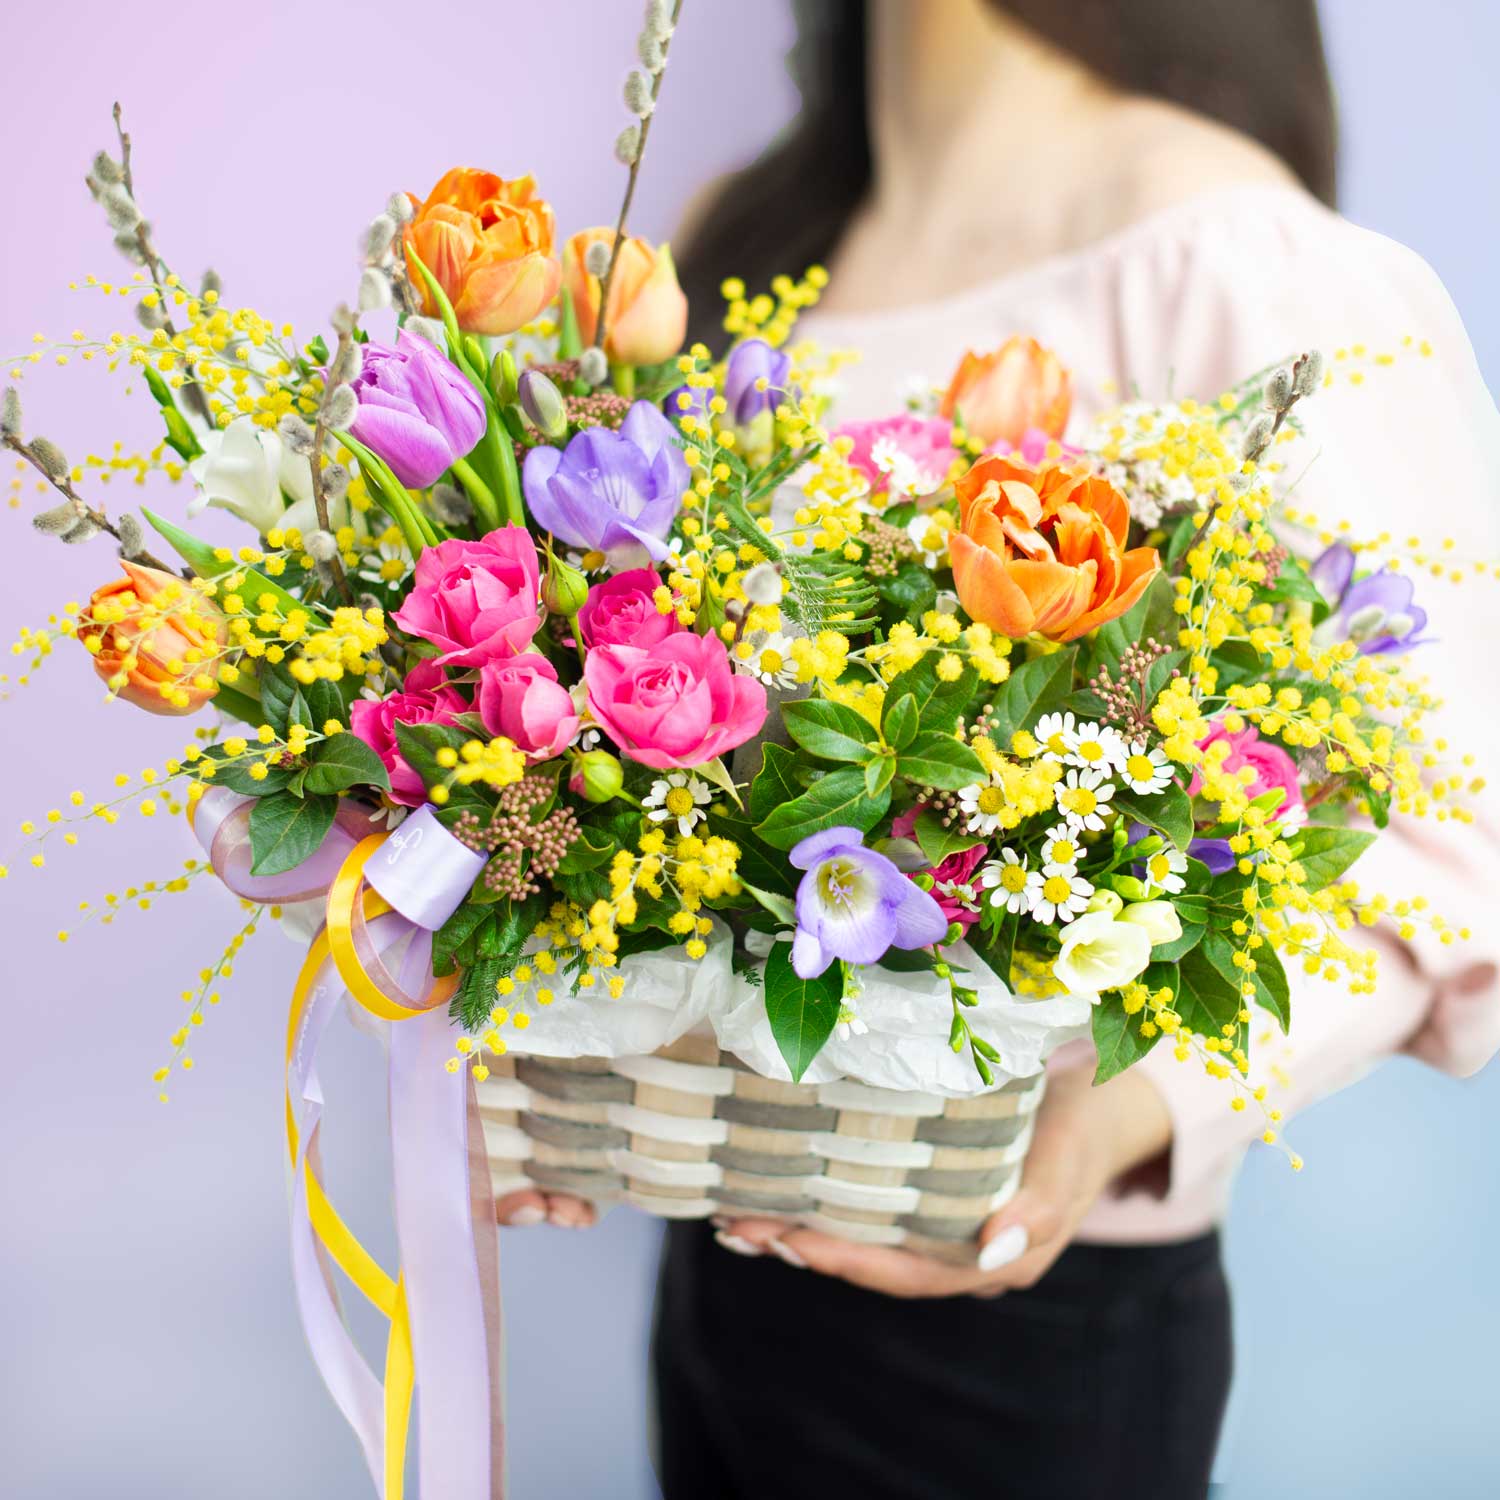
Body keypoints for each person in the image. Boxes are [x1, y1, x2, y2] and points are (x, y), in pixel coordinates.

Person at [498, 3, 1500, 1495]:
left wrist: (1118, 1121)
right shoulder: (743, 236)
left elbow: (1452, 851)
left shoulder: (1233, 254)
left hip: (1032, 1322)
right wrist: (575, 1059)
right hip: (721, 1276)